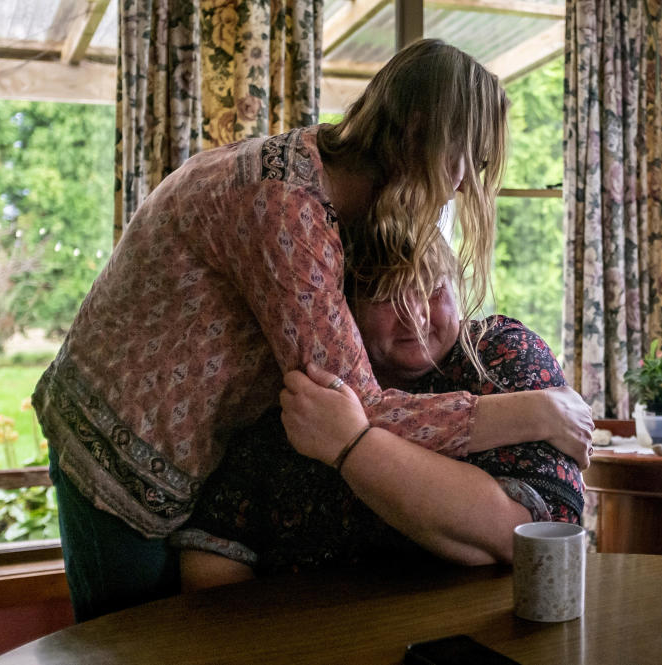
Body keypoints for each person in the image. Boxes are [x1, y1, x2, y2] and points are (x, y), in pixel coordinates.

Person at [32, 39, 594, 621]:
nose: (461, 185)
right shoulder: (286, 208)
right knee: (127, 642)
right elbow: (350, 411)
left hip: (163, 445)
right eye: (466, 160)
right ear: (418, 131)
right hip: (119, 451)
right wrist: (539, 411)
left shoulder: (322, 183)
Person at [174, 242, 587, 587]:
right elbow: (214, 551)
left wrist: (352, 445)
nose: (416, 314)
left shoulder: (501, 355)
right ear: (343, 308)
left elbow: (521, 534)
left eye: (432, 288)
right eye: (386, 294)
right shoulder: (306, 373)